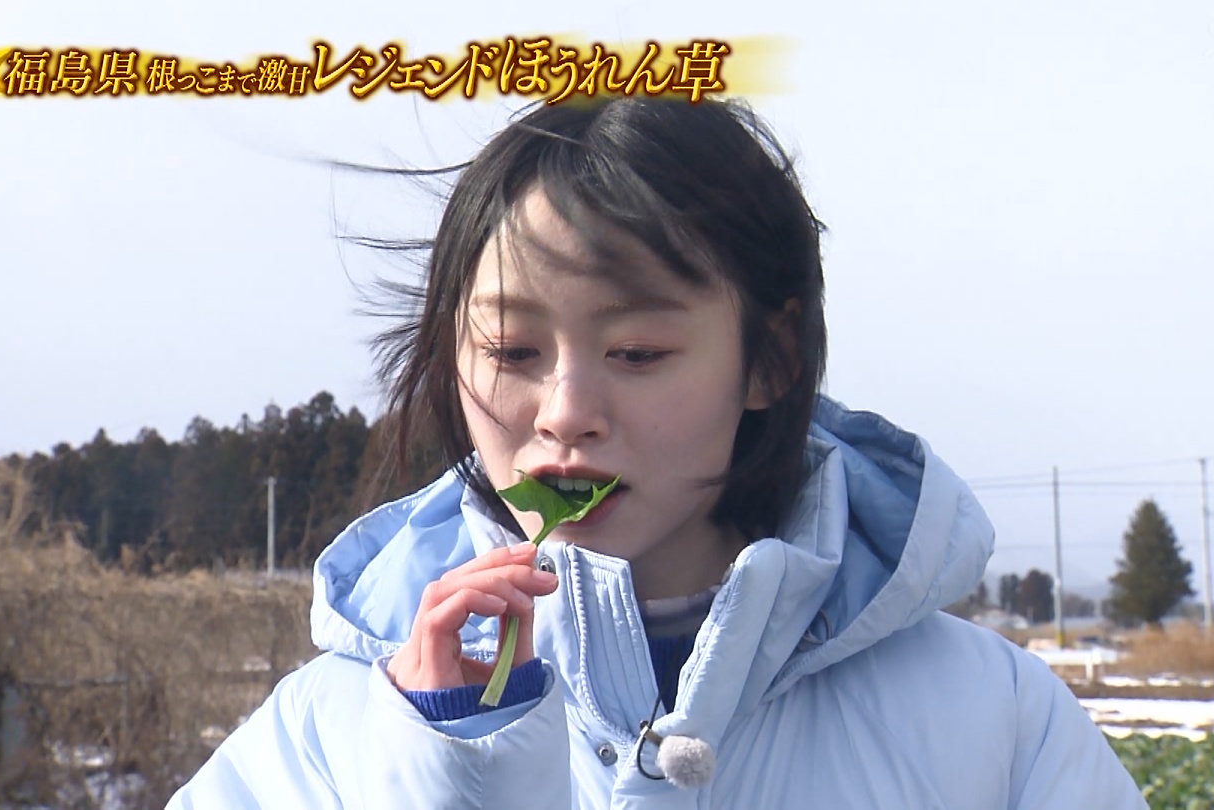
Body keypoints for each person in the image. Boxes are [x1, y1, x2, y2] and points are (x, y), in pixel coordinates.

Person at [168, 97, 1145, 809]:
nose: (565, 414)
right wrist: (447, 769)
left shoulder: (991, 722)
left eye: (636, 353)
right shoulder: (327, 738)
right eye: (510, 352)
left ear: (771, 359)